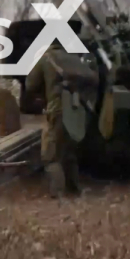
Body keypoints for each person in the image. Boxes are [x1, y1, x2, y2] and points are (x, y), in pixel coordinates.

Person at [25, 39, 100, 197]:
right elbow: (93, 80)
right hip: (77, 108)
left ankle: (57, 193)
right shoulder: (74, 60)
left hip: (58, 107)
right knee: (69, 150)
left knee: (51, 153)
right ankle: (74, 189)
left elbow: (30, 84)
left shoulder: (47, 58)